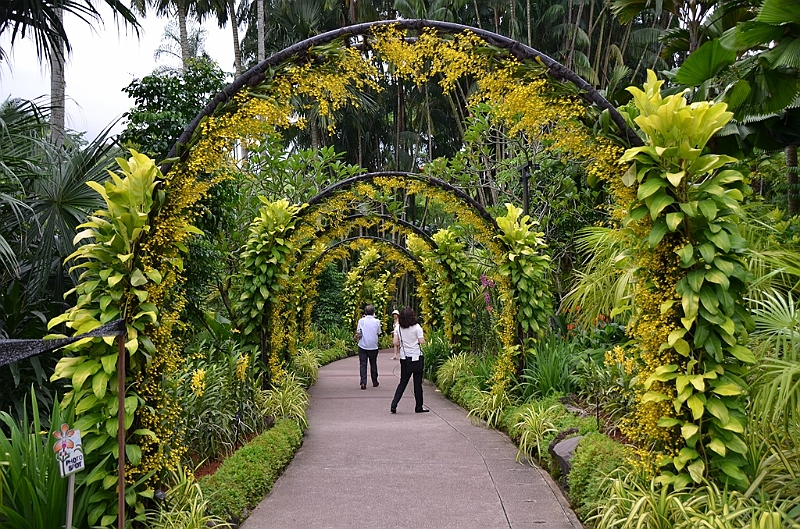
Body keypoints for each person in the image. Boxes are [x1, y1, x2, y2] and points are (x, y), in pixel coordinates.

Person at [390, 306, 428, 413]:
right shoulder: (417, 327)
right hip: (417, 357)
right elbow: (422, 341)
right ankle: (418, 407)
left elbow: (395, 342)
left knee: (403, 382)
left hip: (404, 358)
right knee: (417, 384)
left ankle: (394, 404)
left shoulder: (398, 328)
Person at [356, 304, 382, 390]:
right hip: (373, 346)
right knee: (373, 363)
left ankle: (363, 382)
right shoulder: (377, 321)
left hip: (362, 345)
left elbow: (359, 333)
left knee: (363, 364)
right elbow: (378, 332)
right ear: (373, 312)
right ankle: (374, 381)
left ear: (365, 312)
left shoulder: (361, 321)